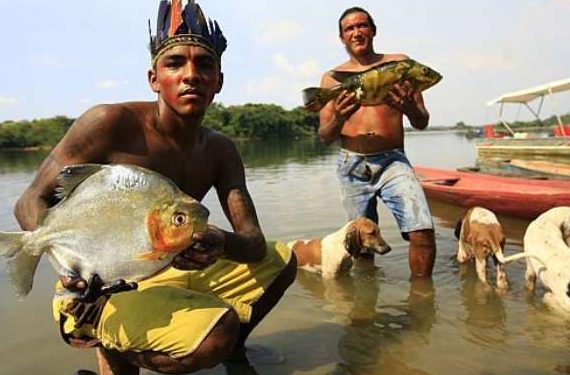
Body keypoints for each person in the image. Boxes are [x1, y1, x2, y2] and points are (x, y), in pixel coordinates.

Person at [13, 1, 296, 374]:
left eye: (204, 65)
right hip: (98, 288)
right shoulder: (109, 123)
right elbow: (29, 200)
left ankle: (232, 352)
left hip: (161, 264)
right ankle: (111, 345)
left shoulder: (221, 151)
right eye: (175, 63)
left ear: (219, 82)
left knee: (282, 261)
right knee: (217, 332)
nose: (190, 75)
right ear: (153, 78)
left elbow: (254, 243)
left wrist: (218, 243)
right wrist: (67, 266)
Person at [317, 7, 436, 278]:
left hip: (393, 160)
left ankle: (421, 302)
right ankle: (367, 300)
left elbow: (421, 122)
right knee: (361, 242)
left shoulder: (400, 65)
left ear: (373, 30)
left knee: (422, 230)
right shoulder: (332, 79)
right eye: (350, 28)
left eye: (362, 25)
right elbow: (324, 136)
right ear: (342, 38)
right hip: (352, 165)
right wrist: (338, 116)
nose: (357, 32)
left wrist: (409, 108)